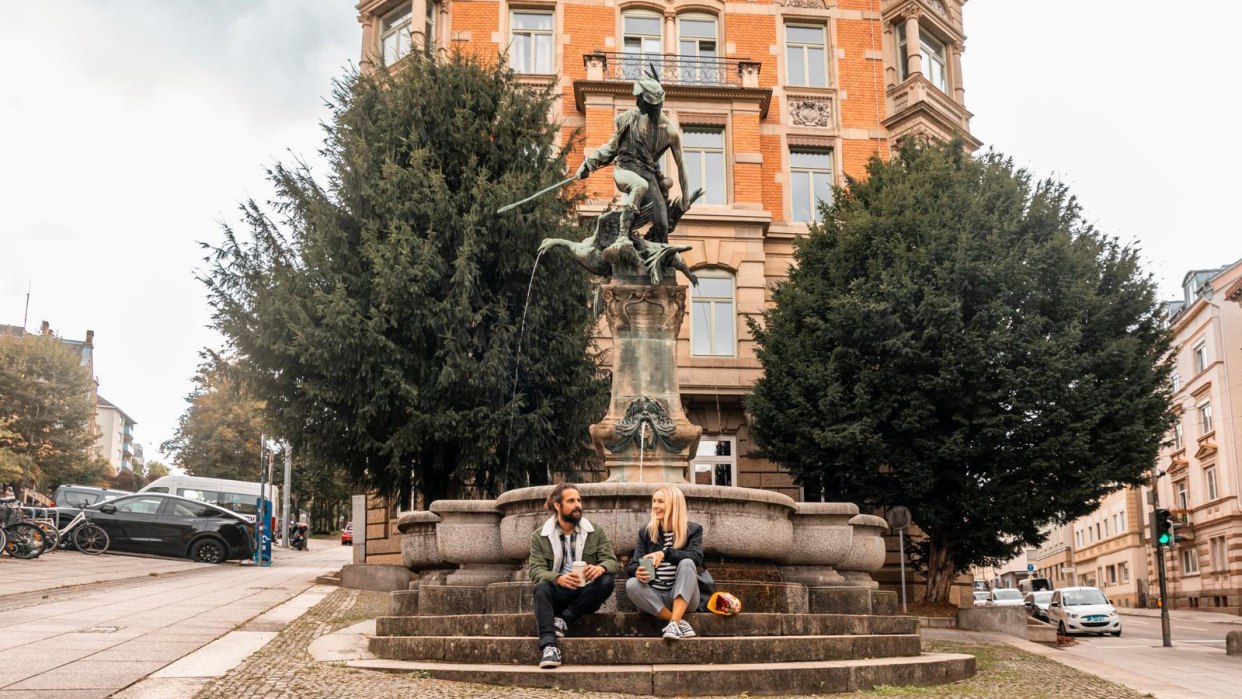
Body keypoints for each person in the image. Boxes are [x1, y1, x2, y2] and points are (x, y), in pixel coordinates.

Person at [575, 66, 689, 248]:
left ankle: (660, 263)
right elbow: (611, 148)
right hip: (625, 169)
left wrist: (686, 197)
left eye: (639, 98)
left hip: (648, 174)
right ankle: (622, 236)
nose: (636, 102)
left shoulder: (669, 132)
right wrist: (588, 164)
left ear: (650, 103)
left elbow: (681, 165)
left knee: (662, 225)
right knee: (639, 185)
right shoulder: (627, 119)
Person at [528, 483, 618, 669]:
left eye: (578, 500)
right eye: (571, 501)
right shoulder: (539, 536)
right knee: (541, 587)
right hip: (561, 591)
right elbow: (535, 570)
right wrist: (557, 578)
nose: (578, 504)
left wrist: (600, 568)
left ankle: (564, 619)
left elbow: (612, 561)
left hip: (586, 594)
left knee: (607, 580)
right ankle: (549, 646)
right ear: (557, 505)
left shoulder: (595, 531)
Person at [625, 485, 705, 640]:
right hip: (655, 597)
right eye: (654, 501)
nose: (655, 506)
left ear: (674, 504)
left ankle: (674, 622)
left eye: (661, 502)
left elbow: (696, 558)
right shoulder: (646, 532)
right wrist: (637, 572)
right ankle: (676, 622)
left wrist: (665, 553)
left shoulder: (693, 530)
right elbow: (634, 564)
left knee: (687, 563)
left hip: (685, 597)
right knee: (631, 584)